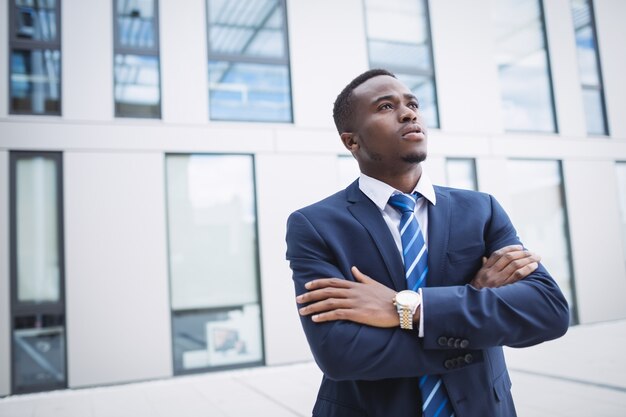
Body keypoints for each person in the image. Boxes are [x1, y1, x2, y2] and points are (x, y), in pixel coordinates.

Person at [285, 69, 569, 417]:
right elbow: (342, 353)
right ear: (351, 141)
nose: (409, 113)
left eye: (413, 103)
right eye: (386, 106)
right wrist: (474, 305)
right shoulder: (314, 226)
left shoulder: (482, 210)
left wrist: (407, 308)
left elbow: (547, 311)